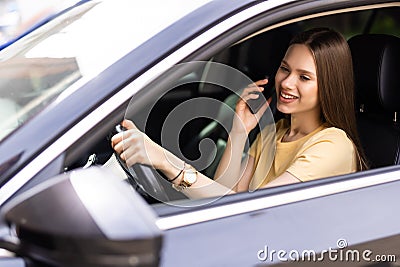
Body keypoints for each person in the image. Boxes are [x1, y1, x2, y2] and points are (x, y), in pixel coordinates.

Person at [111, 27, 368, 199]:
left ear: (329, 86)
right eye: (284, 69)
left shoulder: (333, 145)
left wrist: (165, 161)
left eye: (304, 77)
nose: (287, 83)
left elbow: (248, 210)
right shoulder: (274, 133)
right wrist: (238, 130)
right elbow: (225, 195)